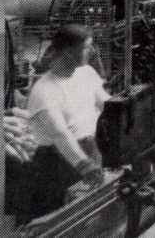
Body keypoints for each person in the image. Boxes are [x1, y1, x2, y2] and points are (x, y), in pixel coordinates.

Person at [15, 25, 108, 225]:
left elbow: (106, 105)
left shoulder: (86, 73)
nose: (92, 52)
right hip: (58, 164)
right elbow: (60, 135)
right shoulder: (44, 91)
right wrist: (86, 166)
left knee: (89, 216)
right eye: (86, 47)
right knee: (59, 222)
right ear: (68, 51)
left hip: (91, 150)